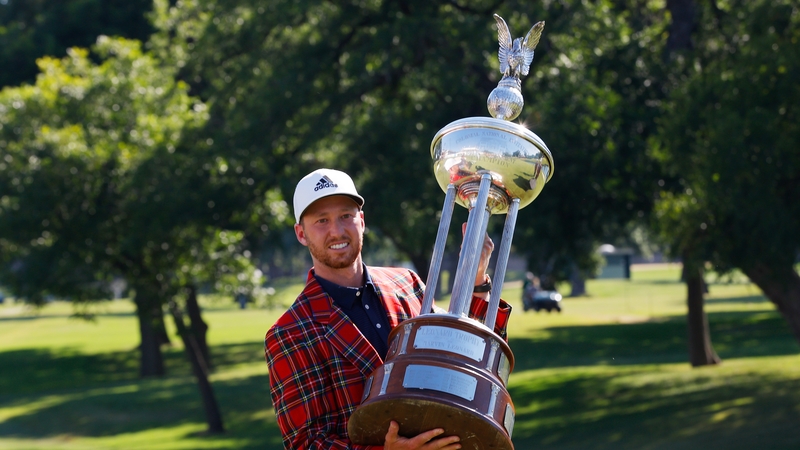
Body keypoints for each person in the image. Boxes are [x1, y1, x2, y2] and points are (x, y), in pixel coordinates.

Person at [264, 168, 512, 449]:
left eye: (346, 215)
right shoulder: (289, 333)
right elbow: (306, 443)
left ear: (362, 220)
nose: (337, 230)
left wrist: (477, 278)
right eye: (322, 221)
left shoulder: (406, 283)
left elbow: (470, 357)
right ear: (301, 233)